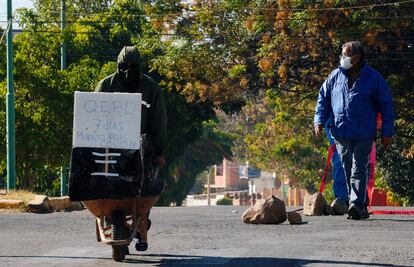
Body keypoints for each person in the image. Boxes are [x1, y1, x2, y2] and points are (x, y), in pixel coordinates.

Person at [95, 46, 167, 249]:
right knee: (106, 185)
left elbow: (158, 122)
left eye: (132, 67)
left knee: (144, 187)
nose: (128, 71)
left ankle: (141, 222)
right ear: (117, 65)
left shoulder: (150, 88)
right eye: (123, 66)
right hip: (109, 147)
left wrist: (159, 151)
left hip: (142, 148)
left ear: (139, 66)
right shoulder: (106, 85)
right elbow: (92, 117)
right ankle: (113, 219)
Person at [314, 41, 395, 220]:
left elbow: (387, 106)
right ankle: (359, 204)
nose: (342, 58)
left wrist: (387, 132)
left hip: (364, 133)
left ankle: (356, 205)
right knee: (347, 167)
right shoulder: (335, 77)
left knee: (359, 168)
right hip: (341, 134)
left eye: (346, 55)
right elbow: (323, 100)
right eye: (342, 54)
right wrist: (318, 122)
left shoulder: (374, 79)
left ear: (357, 58)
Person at [324, 114, 349, 215]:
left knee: (358, 159)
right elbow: (323, 99)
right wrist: (318, 120)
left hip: (356, 117)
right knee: (339, 159)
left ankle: (358, 199)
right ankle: (342, 200)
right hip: (334, 119)